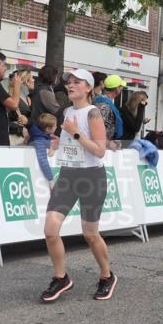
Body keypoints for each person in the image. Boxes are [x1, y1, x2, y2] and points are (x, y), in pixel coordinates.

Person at [40, 68, 116, 303]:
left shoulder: (92, 113)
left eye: (76, 82)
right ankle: (61, 277)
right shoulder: (67, 111)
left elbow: (100, 151)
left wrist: (73, 134)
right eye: (69, 82)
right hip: (68, 175)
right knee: (50, 230)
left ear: (88, 88)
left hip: (91, 177)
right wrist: (58, 143)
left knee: (90, 234)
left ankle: (106, 276)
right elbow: (72, 144)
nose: (70, 85)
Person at [93, 74, 125, 146]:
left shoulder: (102, 101)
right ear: (117, 89)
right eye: (120, 87)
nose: (122, 89)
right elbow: (98, 129)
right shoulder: (104, 105)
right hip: (103, 147)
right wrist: (109, 144)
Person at [8, 68, 33, 146]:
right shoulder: (11, 97)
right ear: (26, 81)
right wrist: (19, 127)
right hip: (15, 137)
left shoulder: (28, 98)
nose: (34, 80)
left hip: (27, 136)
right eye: (31, 78)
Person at [30, 112, 58, 181]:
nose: (56, 127)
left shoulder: (46, 137)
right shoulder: (39, 141)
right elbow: (43, 161)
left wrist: (53, 146)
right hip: (38, 179)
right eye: (55, 126)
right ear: (48, 129)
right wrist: (51, 178)